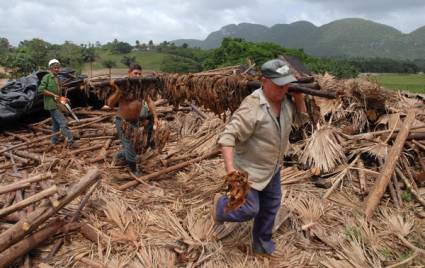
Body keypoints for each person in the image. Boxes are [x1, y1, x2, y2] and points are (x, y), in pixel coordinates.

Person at [213, 59, 307, 256]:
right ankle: (220, 207)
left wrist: (298, 97)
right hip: (249, 171)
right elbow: (227, 137)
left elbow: (300, 120)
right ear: (264, 80)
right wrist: (231, 172)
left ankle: (261, 243)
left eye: (286, 84)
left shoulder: (286, 102)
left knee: (271, 205)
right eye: (279, 84)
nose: (283, 89)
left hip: (272, 167)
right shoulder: (253, 107)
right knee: (249, 209)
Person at [106, 63, 159, 176]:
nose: (137, 75)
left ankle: (119, 156)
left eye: (139, 74)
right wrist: (118, 92)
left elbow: (149, 102)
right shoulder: (123, 86)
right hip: (123, 122)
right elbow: (110, 104)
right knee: (129, 144)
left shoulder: (141, 88)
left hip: (135, 122)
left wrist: (155, 117)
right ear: (129, 73)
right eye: (135, 73)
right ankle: (134, 170)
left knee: (135, 145)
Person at [38, 59, 78, 148]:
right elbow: (40, 90)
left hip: (57, 103)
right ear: (50, 68)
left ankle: (53, 141)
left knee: (56, 124)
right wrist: (52, 95)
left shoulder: (58, 78)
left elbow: (58, 95)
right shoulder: (47, 77)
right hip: (51, 104)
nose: (56, 69)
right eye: (55, 68)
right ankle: (71, 142)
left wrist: (64, 98)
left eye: (58, 68)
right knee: (63, 122)